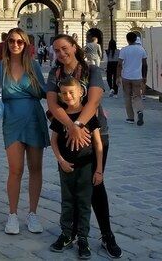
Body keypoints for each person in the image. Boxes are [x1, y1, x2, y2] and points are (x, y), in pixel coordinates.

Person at [46, 34, 122, 259]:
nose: (61, 53)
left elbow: (94, 101)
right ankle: (72, 233)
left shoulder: (91, 70)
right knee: (71, 188)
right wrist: (71, 126)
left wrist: (79, 124)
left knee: (95, 186)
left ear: (74, 47)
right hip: (67, 134)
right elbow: (51, 102)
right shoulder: (54, 73)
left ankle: (107, 235)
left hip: (96, 133)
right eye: (57, 50)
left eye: (65, 48)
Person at [0, 28, 49, 235]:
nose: (15, 45)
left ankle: (33, 213)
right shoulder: (1, 67)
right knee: (15, 169)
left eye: (20, 42)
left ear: (26, 44)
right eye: (12, 41)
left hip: (34, 118)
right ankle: (12, 215)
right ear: (7, 43)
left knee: (35, 168)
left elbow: (45, 91)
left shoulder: (34, 65)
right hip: (12, 120)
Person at [49, 77, 103, 259]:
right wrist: (60, 160)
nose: (68, 96)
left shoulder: (88, 116)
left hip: (86, 166)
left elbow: (98, 144)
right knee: (67, 201)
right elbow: (53, 140)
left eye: (71, 92)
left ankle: (83, 238)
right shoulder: (61, 116)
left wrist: (99, 169)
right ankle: (66, 234)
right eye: (64, 93)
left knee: (83, 203)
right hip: (66, 167)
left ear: (81, 92)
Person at [117, 32, 148, 126]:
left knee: (127, 97)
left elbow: (119, 64)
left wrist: (118, 76)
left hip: (126, 76)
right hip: (137, 77)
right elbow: (145, 64)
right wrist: (144, 76)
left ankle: (130, 118)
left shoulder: (124, 50)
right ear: (135, 39)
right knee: (137, 96)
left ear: (127, 39)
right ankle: (139, 111)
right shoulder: (141, 50)